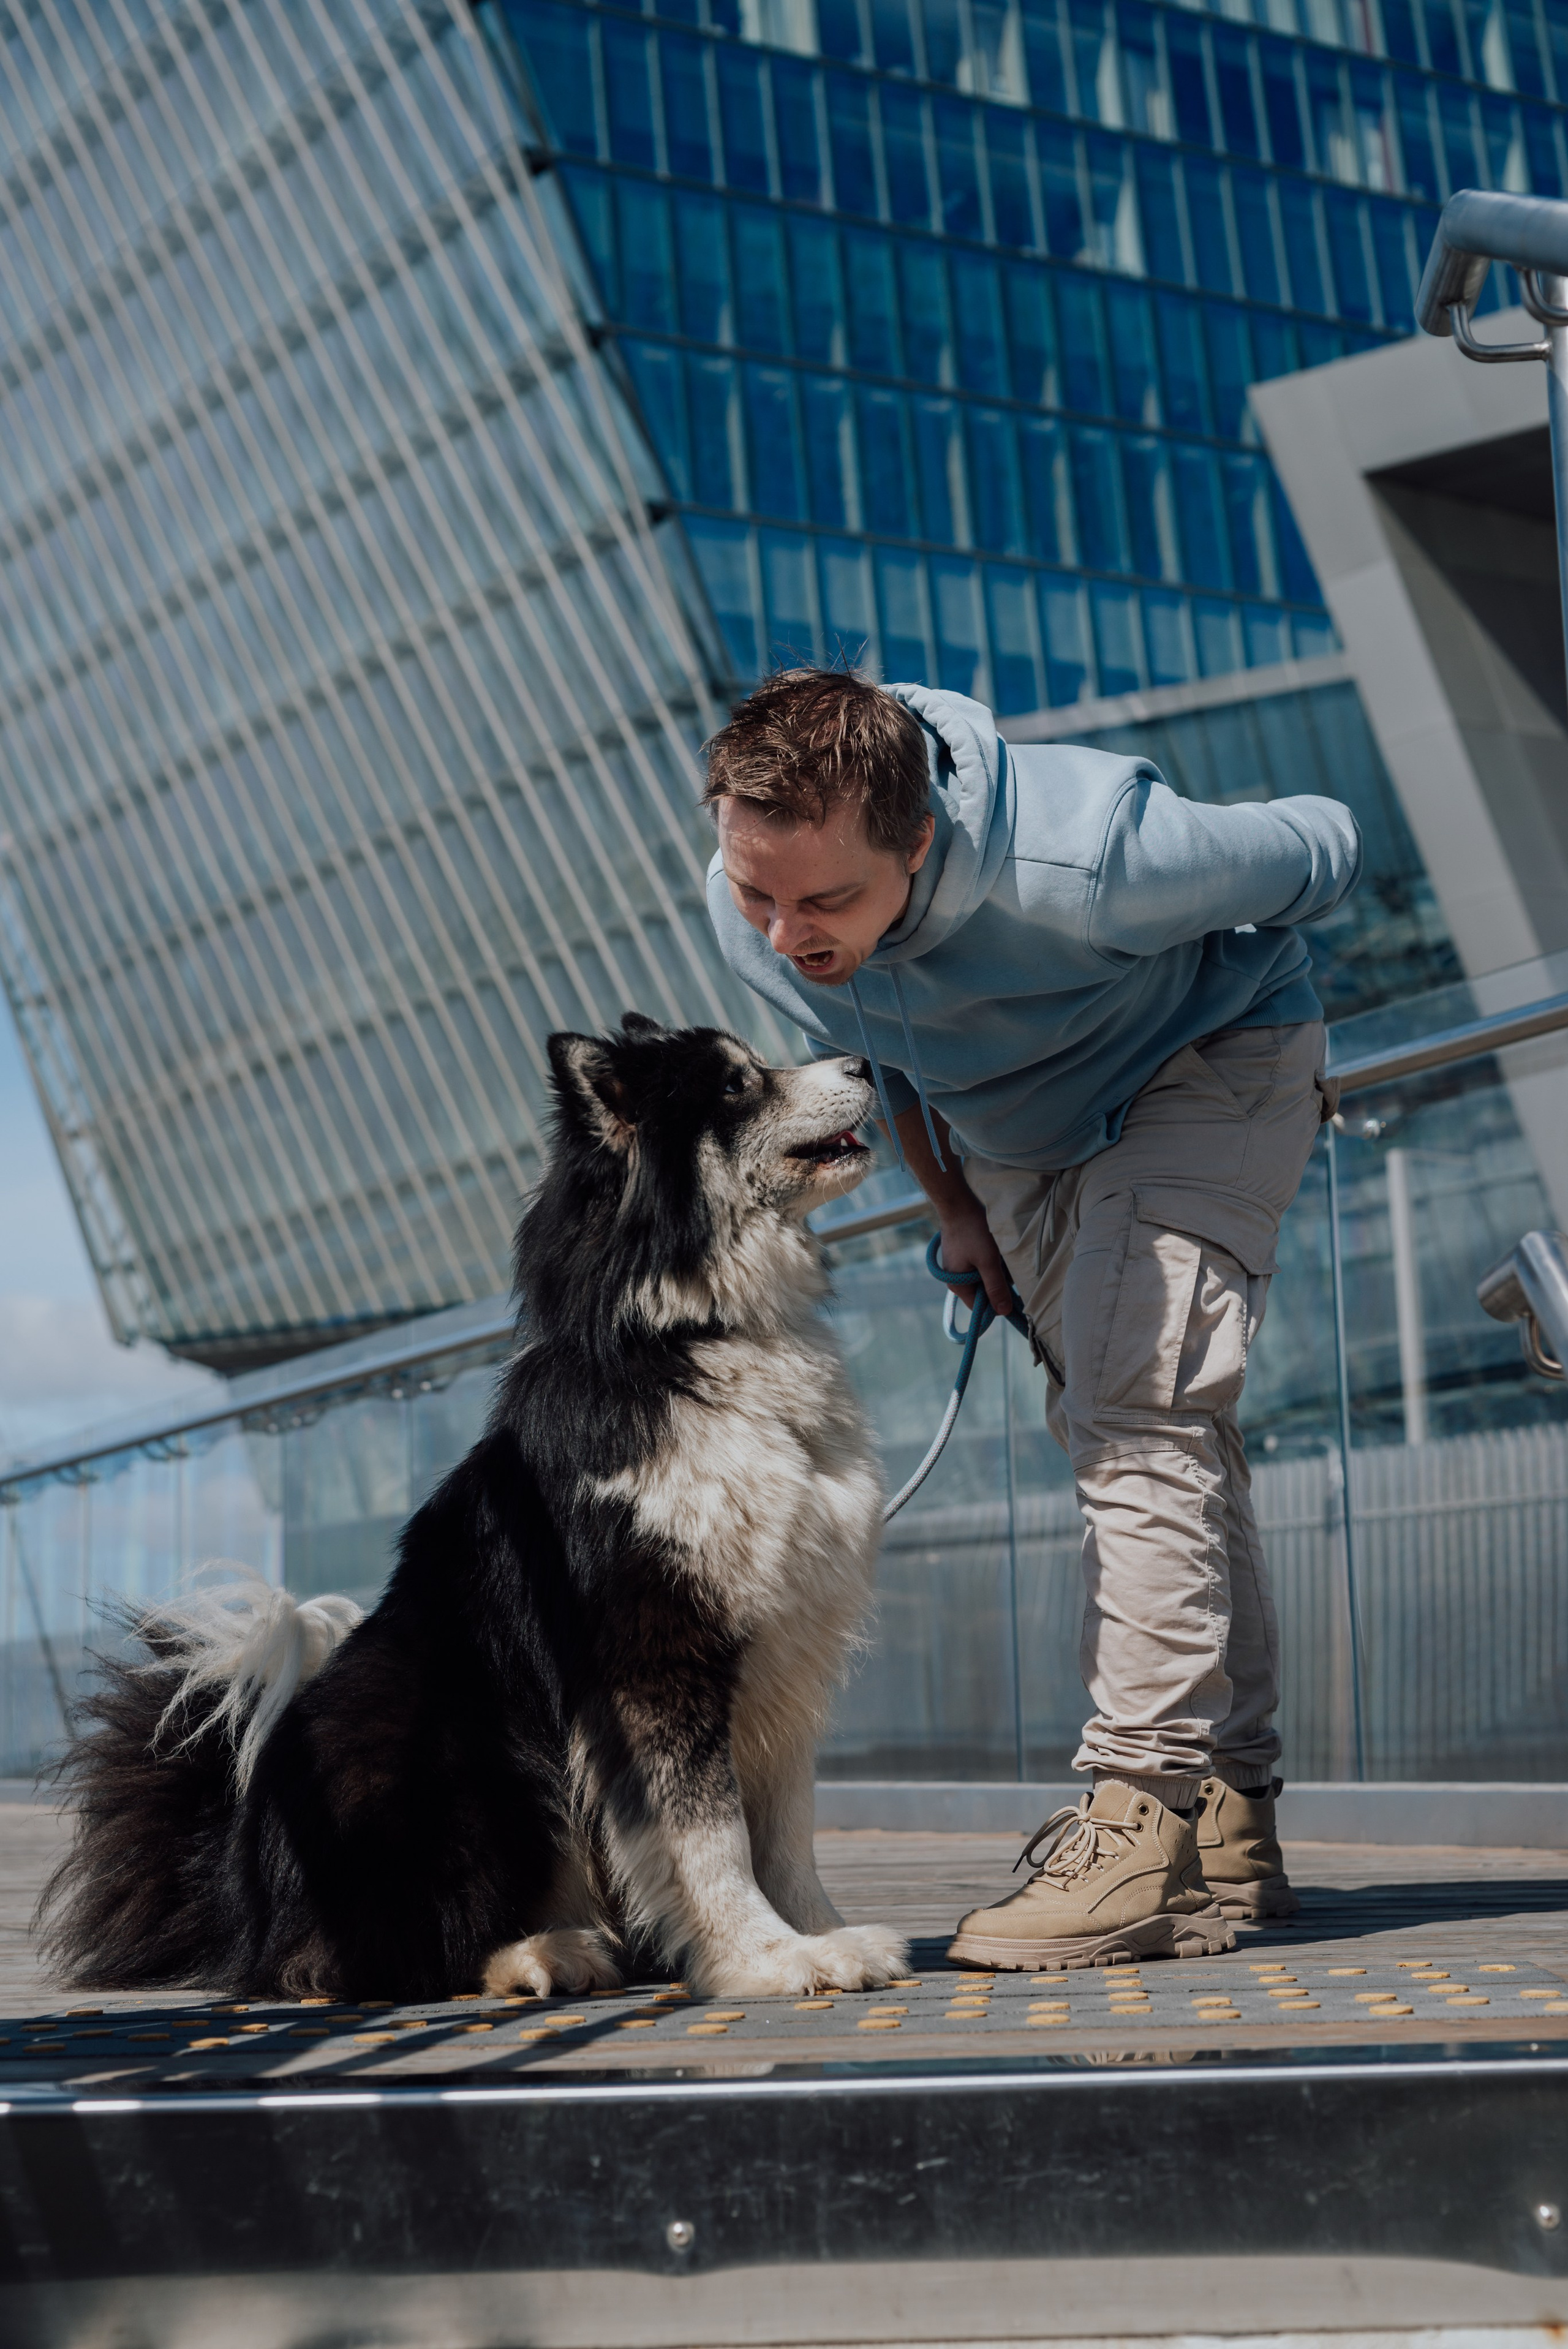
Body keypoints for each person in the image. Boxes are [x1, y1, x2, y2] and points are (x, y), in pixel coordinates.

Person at [703, 667, 1360, 1970]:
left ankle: (1138, 1816)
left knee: (1136, 1414)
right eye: (756, 894)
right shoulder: (753, 908)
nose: (781, 934)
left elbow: (1325, 843)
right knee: (1156, 1431)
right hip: (1017, 1139)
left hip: (1205, 1064)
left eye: (823, 900)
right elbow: (888, 1055)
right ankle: (1228, 1812)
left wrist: (1221, 947)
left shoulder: (1095, 858)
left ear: (917, 842)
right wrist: (953, 1206)